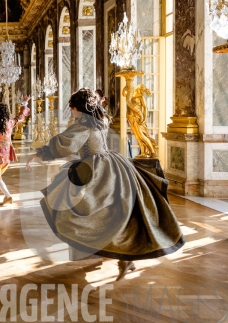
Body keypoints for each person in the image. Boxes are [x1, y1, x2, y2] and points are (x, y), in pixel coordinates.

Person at [25, 88, 184, 281]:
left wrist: (40, 153)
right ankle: (125, 257)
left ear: (77, 108)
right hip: (113, 163)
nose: (71, 111)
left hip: (94, 169)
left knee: (78, 213)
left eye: (72, 107)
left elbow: (65, 144)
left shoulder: (82, 126)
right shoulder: (102, 120)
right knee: (116, 212)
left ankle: (109, 253)